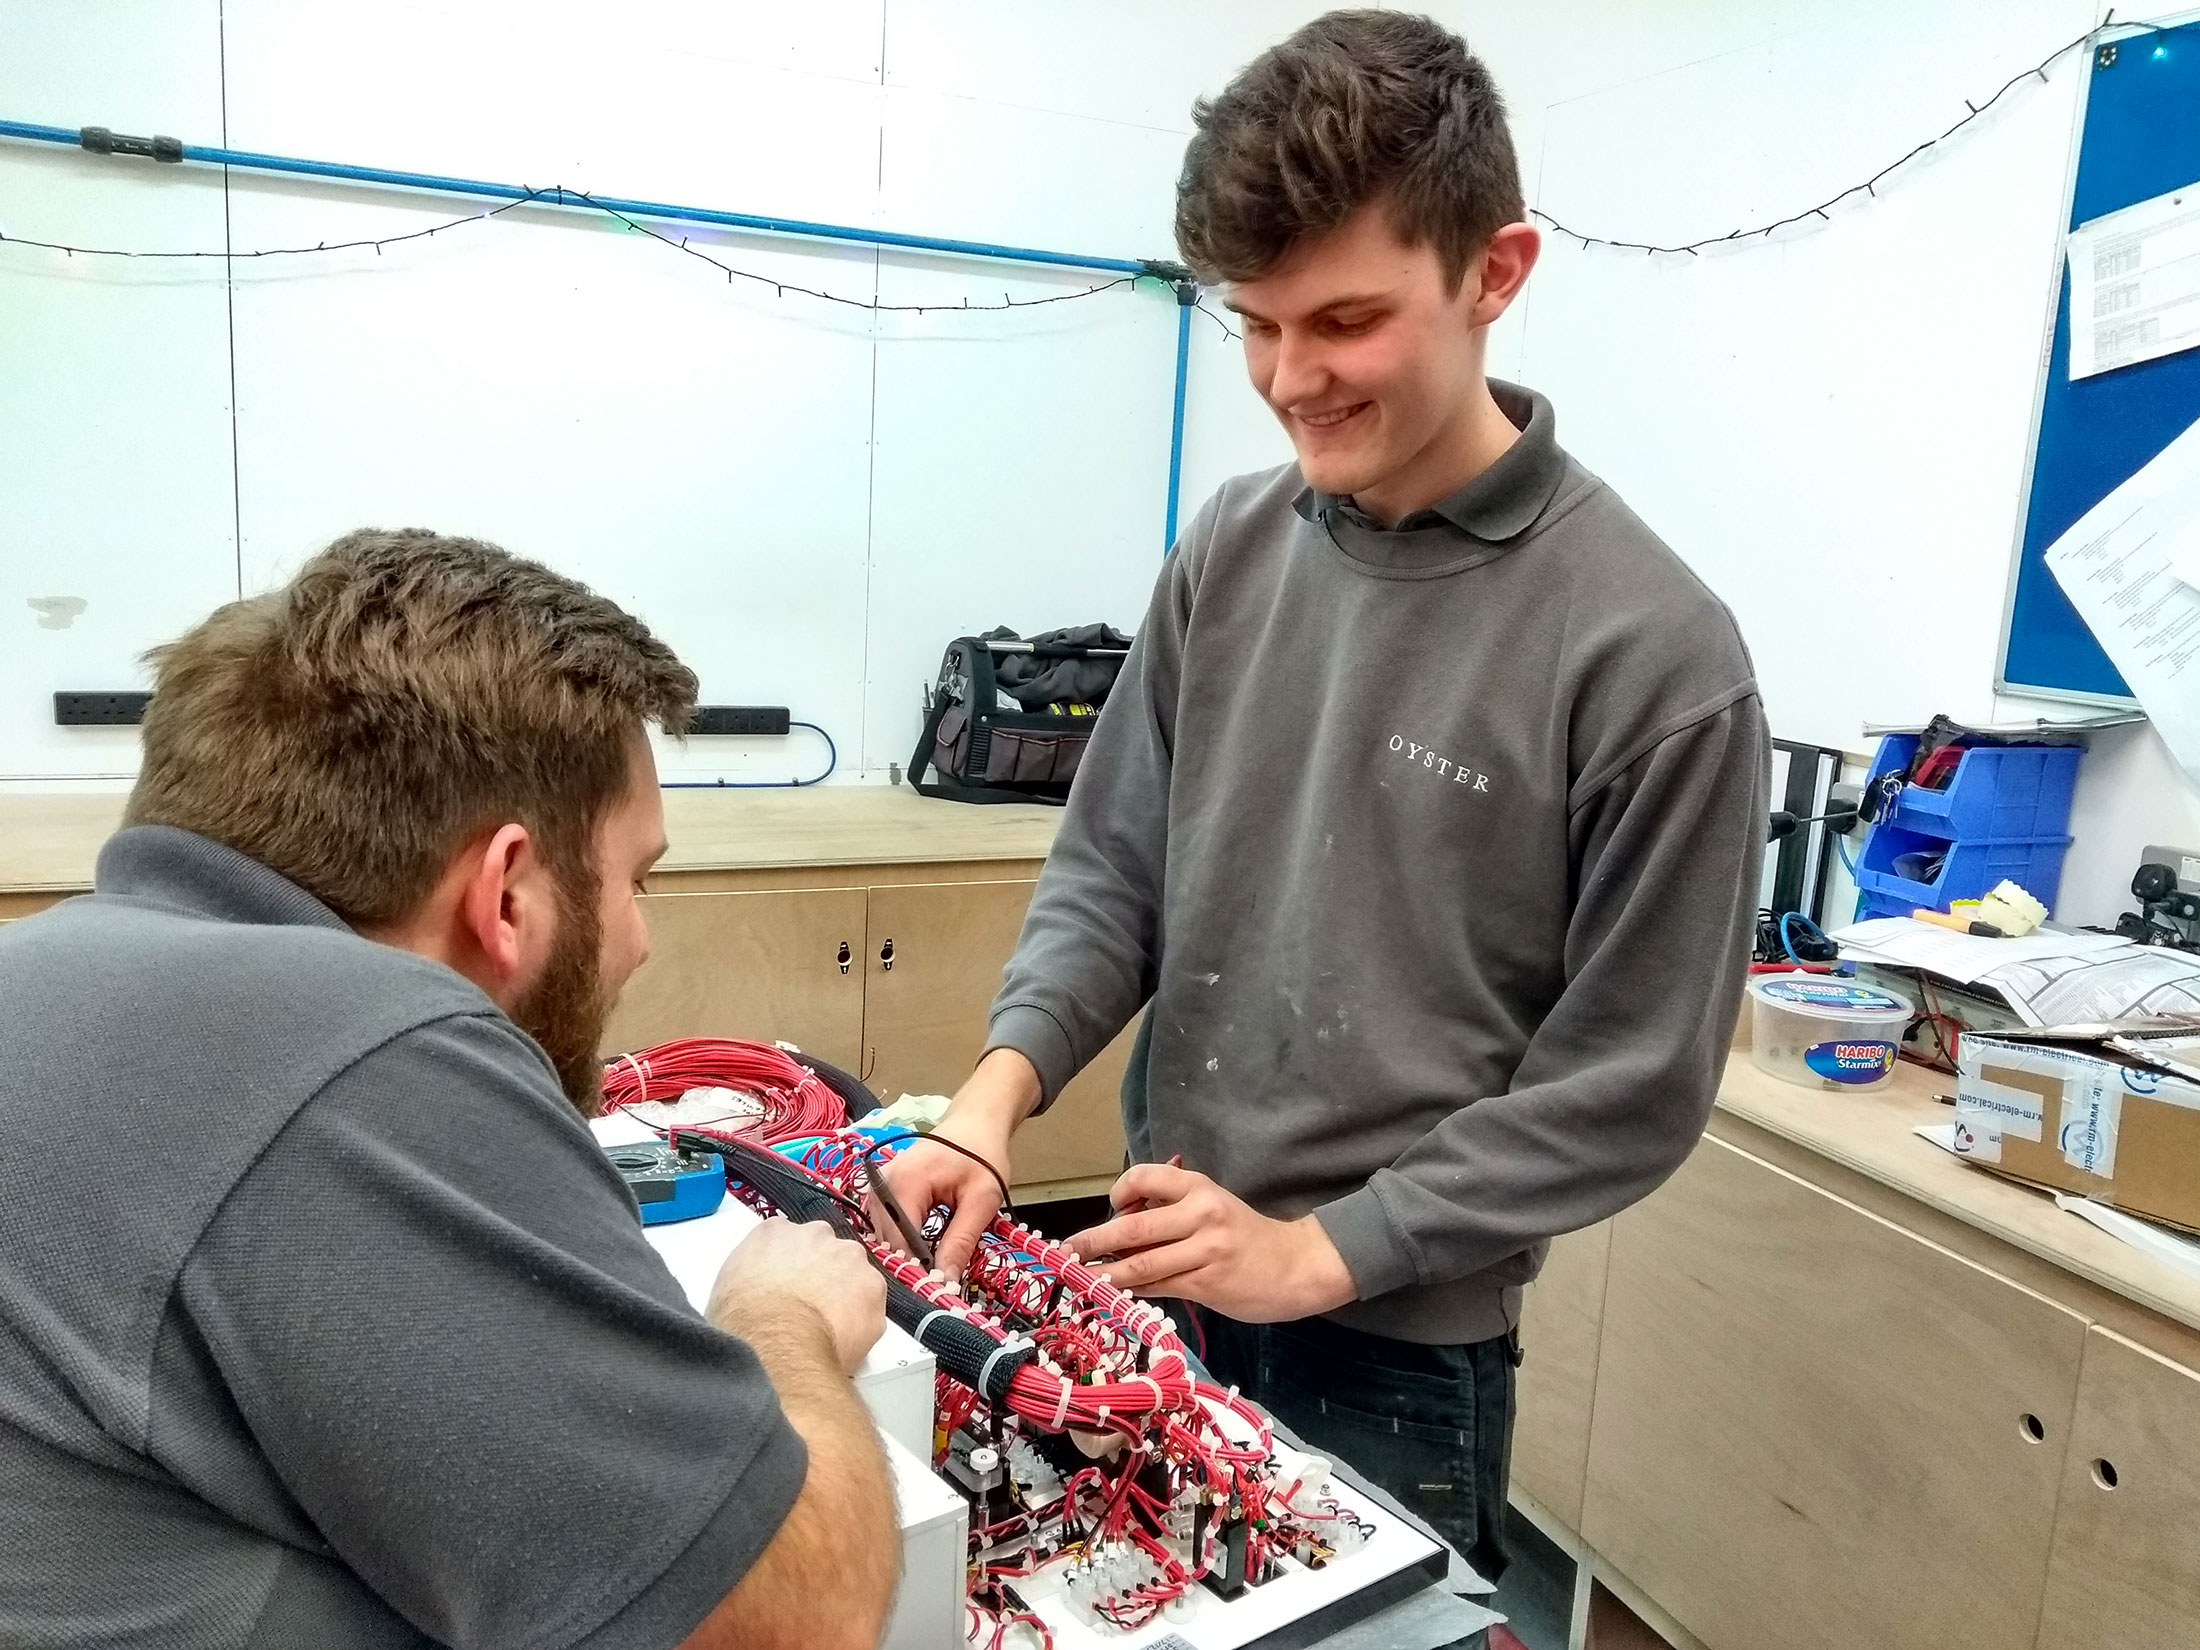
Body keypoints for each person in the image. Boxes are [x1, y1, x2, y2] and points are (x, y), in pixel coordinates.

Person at [885, 9, 1770, 1585]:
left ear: (1497, 272)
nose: (1292, 379)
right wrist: (995, 1095)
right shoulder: (1230, 545)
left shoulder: (1653, 651)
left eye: (1346, 320)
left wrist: (1323, 1249)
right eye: (1257, 323)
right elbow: (1117, 866)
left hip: (1398, 1351)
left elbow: (1629, 1078)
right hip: (1161, 1274)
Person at [0, 531, 896, 1650]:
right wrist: (785, 1319)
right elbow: (793, 1620)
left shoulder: (54, 974)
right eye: (634, 878)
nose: (639, 937)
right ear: (506, 891)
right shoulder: (360, 1049)